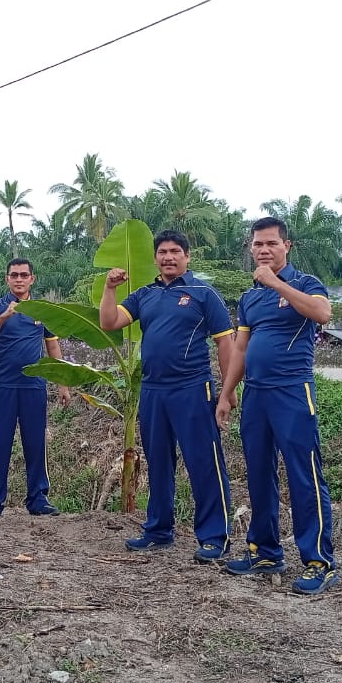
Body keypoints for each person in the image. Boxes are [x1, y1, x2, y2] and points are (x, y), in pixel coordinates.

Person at [218, 216, 339, 595]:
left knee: (303, 475)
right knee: (258, 472)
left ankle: (319, 561)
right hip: (255, 394)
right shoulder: (250, 298)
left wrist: (276, 282)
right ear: (251, 248)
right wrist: (226, 392)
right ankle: (265, 551)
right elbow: (240, 347)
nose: (264, 250)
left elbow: (322, 315)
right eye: (258, 244)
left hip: (292, 392)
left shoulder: (306, 284)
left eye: (271, 243)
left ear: (287, 246)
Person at [99, 230, 235, 563]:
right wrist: (110, 287)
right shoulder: (145, 294)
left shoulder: (204, 294)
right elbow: (109, 321)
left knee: (203, 463)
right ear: (155, 257)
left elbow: (225, 343)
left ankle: (215, 536)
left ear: (187, 257)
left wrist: (227, 393)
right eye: (162, 252)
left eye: (175, 251)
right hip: (153, 391)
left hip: (193, 388)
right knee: (159, 462)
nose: (168, 257)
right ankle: (159, 530)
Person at [0, 258, 72, 519]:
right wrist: (5, 316)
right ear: (7, 279)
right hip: (2, 386)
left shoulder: (42, 310)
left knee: (35, 443)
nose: (19, 279)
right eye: (14, 275)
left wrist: (62, 384)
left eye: (24, 275)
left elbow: (53, 348)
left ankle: (38, 499)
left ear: (32, 279)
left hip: (34, 387)